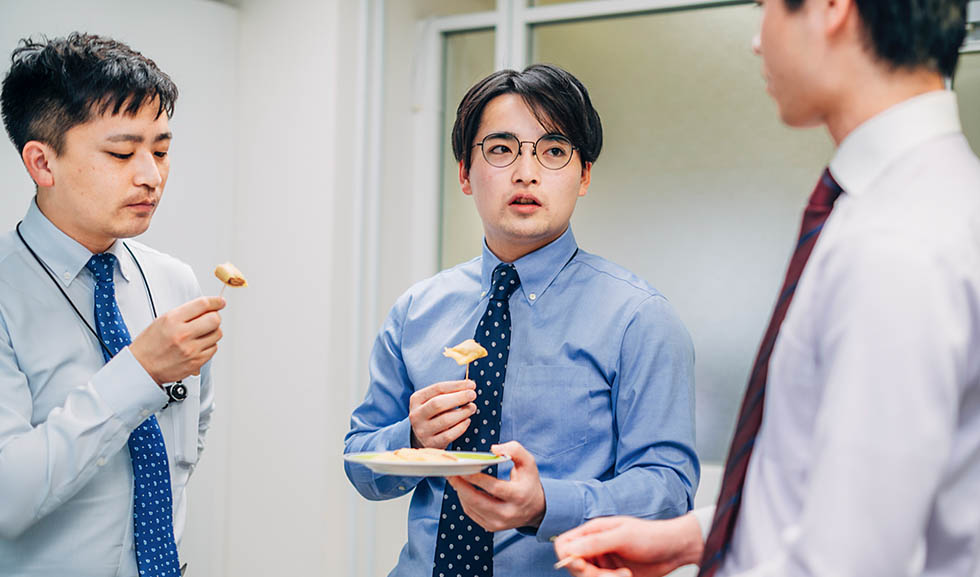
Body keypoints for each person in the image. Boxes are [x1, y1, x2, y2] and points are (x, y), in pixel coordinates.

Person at [554, 1, 980, 576]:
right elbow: (856, 492)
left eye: (766, 7)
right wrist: (694, 539)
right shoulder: (919, 202)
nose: (758, 41)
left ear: (831, 8)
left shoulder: (896, 241)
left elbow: (847, 564)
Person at [345, 64, 699, 576]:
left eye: (554, 151)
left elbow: (669, 490)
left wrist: (546, 504)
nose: (526, 172)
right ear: (465, 174)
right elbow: (361, 462)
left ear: (585, 175)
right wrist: (414, 439)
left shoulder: (639, 319)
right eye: (501, 149)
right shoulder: (417, 311)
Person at [0, 33, 224, 576]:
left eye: (162, 150)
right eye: (122, 153)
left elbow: (188, 438)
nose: (151, 175)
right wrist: (139, 372)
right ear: (42, 163)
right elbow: (8, 499)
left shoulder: (174, 281)